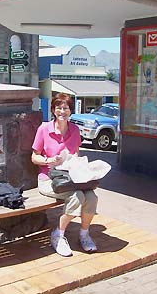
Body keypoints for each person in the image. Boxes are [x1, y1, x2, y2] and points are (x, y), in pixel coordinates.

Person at [31, 93, 98, 257]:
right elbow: (34, 157)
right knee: (77, 197)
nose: (62, 111)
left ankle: (84, 234)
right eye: (59, 108)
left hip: (71, 177)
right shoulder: (44, 129)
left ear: (70, 111)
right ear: (53, 110)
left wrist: (76, 163)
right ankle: (58, 235)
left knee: (91, 197)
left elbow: (76, 154)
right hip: (49, 179)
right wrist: (49, 160)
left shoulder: (75, 130)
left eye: (66, 108)